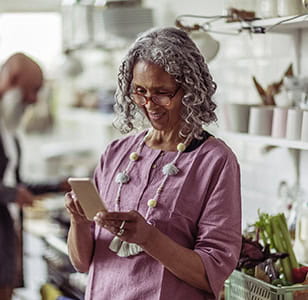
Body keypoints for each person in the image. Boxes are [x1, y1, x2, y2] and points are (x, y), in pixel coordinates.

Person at [65, 27, 242, 300]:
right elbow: (82, 262)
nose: (149, 104)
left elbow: (213, 274)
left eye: (162, 92)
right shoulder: (116, 152)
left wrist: (149, 238)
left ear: (190, 90)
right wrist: (78, 221)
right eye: (140, 91)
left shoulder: (215, 161)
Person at [0, 53, 69, 300]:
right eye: (32, 90)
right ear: (12, 79)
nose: (34, 99)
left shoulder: (7, 128)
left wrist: (59, 185)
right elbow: (9, 190)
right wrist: (11, 194)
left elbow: (12, 182)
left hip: (6, 241)